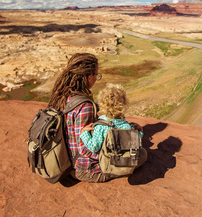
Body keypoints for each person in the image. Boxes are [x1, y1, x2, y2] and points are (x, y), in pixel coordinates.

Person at [47, 53, 143, 183]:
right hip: (85, 169)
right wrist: (115, 150)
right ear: (89, 77)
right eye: (97, 75)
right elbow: (85, 149)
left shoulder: (65, 95)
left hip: (68, 160)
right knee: (141, 155)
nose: (97, 78)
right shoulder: (85, 106)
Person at [80, 83, 147, 180]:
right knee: (143, 153)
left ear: (102, 104)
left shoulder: (101, 126)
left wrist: (84, 133)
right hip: (125, 162)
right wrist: (140, 131)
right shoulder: (127, 126)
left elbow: (94, 147)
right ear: (124, 105)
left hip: (108, 164)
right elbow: (136, 142)